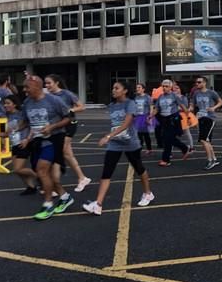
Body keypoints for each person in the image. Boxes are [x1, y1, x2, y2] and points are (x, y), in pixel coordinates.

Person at [82, 81, 154, 215]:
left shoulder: (130, 103)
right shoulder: (112, 106)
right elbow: (115, 124)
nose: (113, 90)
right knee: (107, 171)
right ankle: (98, 204)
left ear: (125, 91)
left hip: (130, 143)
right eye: (113, 88)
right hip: (115, 143)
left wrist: (108, 136)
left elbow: (127, 123)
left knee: (139, 168)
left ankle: (148, 193)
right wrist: (112, 137)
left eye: (117, 88)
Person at [19, 75, 73, 221]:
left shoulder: (54, 101)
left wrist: (52, 127)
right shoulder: (27, 103)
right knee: (46, 176)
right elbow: (25, 122)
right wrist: (12, 129)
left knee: (42, 171)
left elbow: (69, 117)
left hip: (53, 140)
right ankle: (65, 197)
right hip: (36, 142)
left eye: (27, 87)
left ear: (36, 86)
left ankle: (48, 205)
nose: (24, 90)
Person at [44, 74, 92, 193]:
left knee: (63, 153)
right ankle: (82, 178)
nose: (47, 85)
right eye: (46, 83)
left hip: (69, 124)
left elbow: (81, 106)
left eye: (49, 83)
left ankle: (58, 184)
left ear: (57, 83)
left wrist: (71, 110)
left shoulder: (66, 94)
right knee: (66, 154)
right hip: (56, 127)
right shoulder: (48, 96)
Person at [0, 95, 35, 195]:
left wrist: (27, 139)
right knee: (17, 171)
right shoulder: (9, 116)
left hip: (23, 143)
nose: (5, 105)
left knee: (18, 169)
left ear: (14, 104)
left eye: (8, 103)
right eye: (5, 103)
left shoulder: (22, 114)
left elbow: (31, 125)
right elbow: (7, 134)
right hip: (14, 145)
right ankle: (31, 187)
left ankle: (40, 176)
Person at [150, 79, 190, 167]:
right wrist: (151, 116)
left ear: (170, 87)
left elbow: (183, 106)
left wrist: (188, 117)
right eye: (163, 86)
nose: (164, 88)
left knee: (168, 139)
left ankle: (166, 160)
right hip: (164, 120)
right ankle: (185, 148)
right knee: (167, 138)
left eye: (166, 86)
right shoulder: (161, 97)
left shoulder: (174, 96)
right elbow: (156, 108)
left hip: (173, 119)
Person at [190, 76, 222, 170]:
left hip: (210, 118)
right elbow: (192, 105)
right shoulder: (196, 93)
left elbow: (220, 102)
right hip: (200, 118)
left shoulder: (211, 93)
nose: (197, 84)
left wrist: (213, 108)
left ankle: (210, 161)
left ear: (204, 83)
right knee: (206, 140)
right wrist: (189, 111)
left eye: (199, 82)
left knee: (203, 140)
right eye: (196, 82)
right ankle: (214, 159)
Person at [173, 83, 195, 152]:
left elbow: (185, 107)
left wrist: (178, 108)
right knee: (172, 134)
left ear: (180, 90)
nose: (175, 89)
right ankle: (170, 150)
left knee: (187, 132)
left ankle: (191, 147)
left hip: (182, 116)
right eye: (175, 88)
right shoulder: (171, 97)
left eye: (177, 88)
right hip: (174, 116)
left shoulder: (183, 97)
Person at [134, 83, 154, 155]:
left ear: (143, 89)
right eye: (137, 87)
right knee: (139, 134)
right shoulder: (136, 97)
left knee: (144, 134)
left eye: (139, 87)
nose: (137, 89)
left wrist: (150, 117)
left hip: (145, 117)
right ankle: (142, 148)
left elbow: (151, 107)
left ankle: (147, 148)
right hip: (138, 117)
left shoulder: (147, 97)